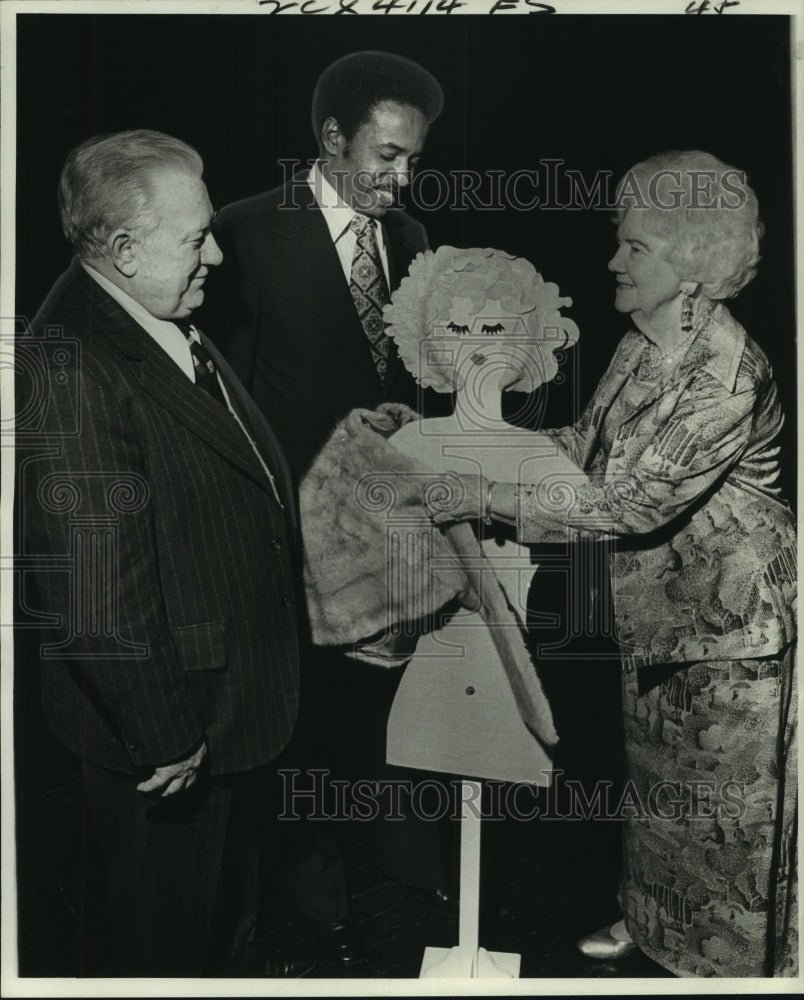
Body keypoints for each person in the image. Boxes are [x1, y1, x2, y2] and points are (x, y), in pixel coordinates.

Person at [427, 152, 797, 977]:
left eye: (636, 249)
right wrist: (474, 444)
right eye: (619, 242)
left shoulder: (727, 375)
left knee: (725, 821)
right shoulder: (643, 342)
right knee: (660, 802)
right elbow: (582, 453)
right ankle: (657, 928)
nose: (613, 262)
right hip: (660, 620)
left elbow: (623, 505)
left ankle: (725, 969)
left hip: (733, 640)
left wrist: (483, 495)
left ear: (693, 268)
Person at [15, 130, 309, 977]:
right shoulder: (69, 363)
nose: (216, 253)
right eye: (195, 239)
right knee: (167, 949)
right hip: (170, 731)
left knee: (216, 926)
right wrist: (166, 738)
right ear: (123, 247)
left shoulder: (142, 311)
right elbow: (97, 592)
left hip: (222, 701)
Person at [204, 51, 451, 964]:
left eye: (415, 160)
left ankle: (387, 874)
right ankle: (310, 911)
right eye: (386, 156)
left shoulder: (414, 240)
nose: (401, 177)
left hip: (384, 536)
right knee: (297, 725)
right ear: (333, 138)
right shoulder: (240, 232)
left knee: (371, 717)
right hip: (287, 538)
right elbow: (223, 406)